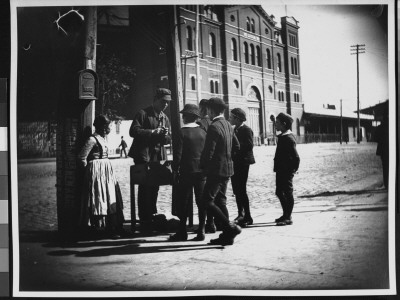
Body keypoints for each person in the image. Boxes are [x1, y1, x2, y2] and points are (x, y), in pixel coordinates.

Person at [128, 88, 172, 231]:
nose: (165, 105)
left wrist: (165, 135)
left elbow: (168, 139)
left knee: (155, 186)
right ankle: (144, 218)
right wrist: (152, 132)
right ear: (156, 99)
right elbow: (133, 131)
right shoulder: (143, 113)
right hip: (144, 156)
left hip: (158, 157)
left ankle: (152, 214)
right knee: (144, 187)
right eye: (163, 102)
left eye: (167, 102)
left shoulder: (165, 118)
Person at [200, 97, 241, 246]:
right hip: (227, 170)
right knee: (220, 201)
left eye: (208, 110)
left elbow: (208, 153)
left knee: (206, 201)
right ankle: (227, 236)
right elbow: (236, 146)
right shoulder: (228, 125)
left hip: (216, 171)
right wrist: (227, 158)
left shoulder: (214, 126)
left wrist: (203, 169)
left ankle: (231, 228)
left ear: (211, 110)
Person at [78, 114, 125, 239]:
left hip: (106, 171)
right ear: (100, 126)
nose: (107, 128)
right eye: (105, 126)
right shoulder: (92, 139)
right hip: (96, 172)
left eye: (107, 125)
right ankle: (99, 228)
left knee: (109, 196)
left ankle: (112, 226)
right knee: (99, 198)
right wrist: (89, 172)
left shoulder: (104, 139)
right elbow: (82, 157)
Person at [170, 104, 207, 241]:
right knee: (201, 201)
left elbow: (178, 155)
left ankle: (182, 231)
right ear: (196, 118)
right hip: (201, 171)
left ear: (185, 117)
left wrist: (174, 169)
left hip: (186, 171)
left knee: (184, 202)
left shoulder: (181, 132)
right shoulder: (203, 132)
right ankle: (201, 230)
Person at [228, 108, 255, 227]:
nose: (229, 118)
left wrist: (235, 148)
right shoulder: (234, 129)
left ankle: (248, 216)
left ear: (238, 119)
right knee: (236, 189)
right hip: (235, 163)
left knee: (241, 190)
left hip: (243, 163)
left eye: (232, 117)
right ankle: (241, 213)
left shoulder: (246, 130)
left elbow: (249, 145)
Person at [273, 112, 300, 226]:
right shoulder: (283, 136)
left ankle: (288, 217)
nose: (275, 125)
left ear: (284, 124)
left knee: (288, 193)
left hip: (286, 171)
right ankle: (285, 214)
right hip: (280, 170)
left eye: (277, 123)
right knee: (279, 192)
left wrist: (292, 170)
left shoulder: (289, 138)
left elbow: (296, 157)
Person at [197, 99, 218, 233]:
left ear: (202, 109)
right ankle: (212, 223)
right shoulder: (215, 122)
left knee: (204, 197)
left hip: (205, 163)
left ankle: (204, 226)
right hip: (217, 164)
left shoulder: (200, 123)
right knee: (214, 196)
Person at [376, 112, 389, 189]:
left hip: (383, 149)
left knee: (385, 166)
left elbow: (375, 138)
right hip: (391, 149)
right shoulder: (393, 126)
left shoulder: (380, 127)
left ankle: (386, 184)